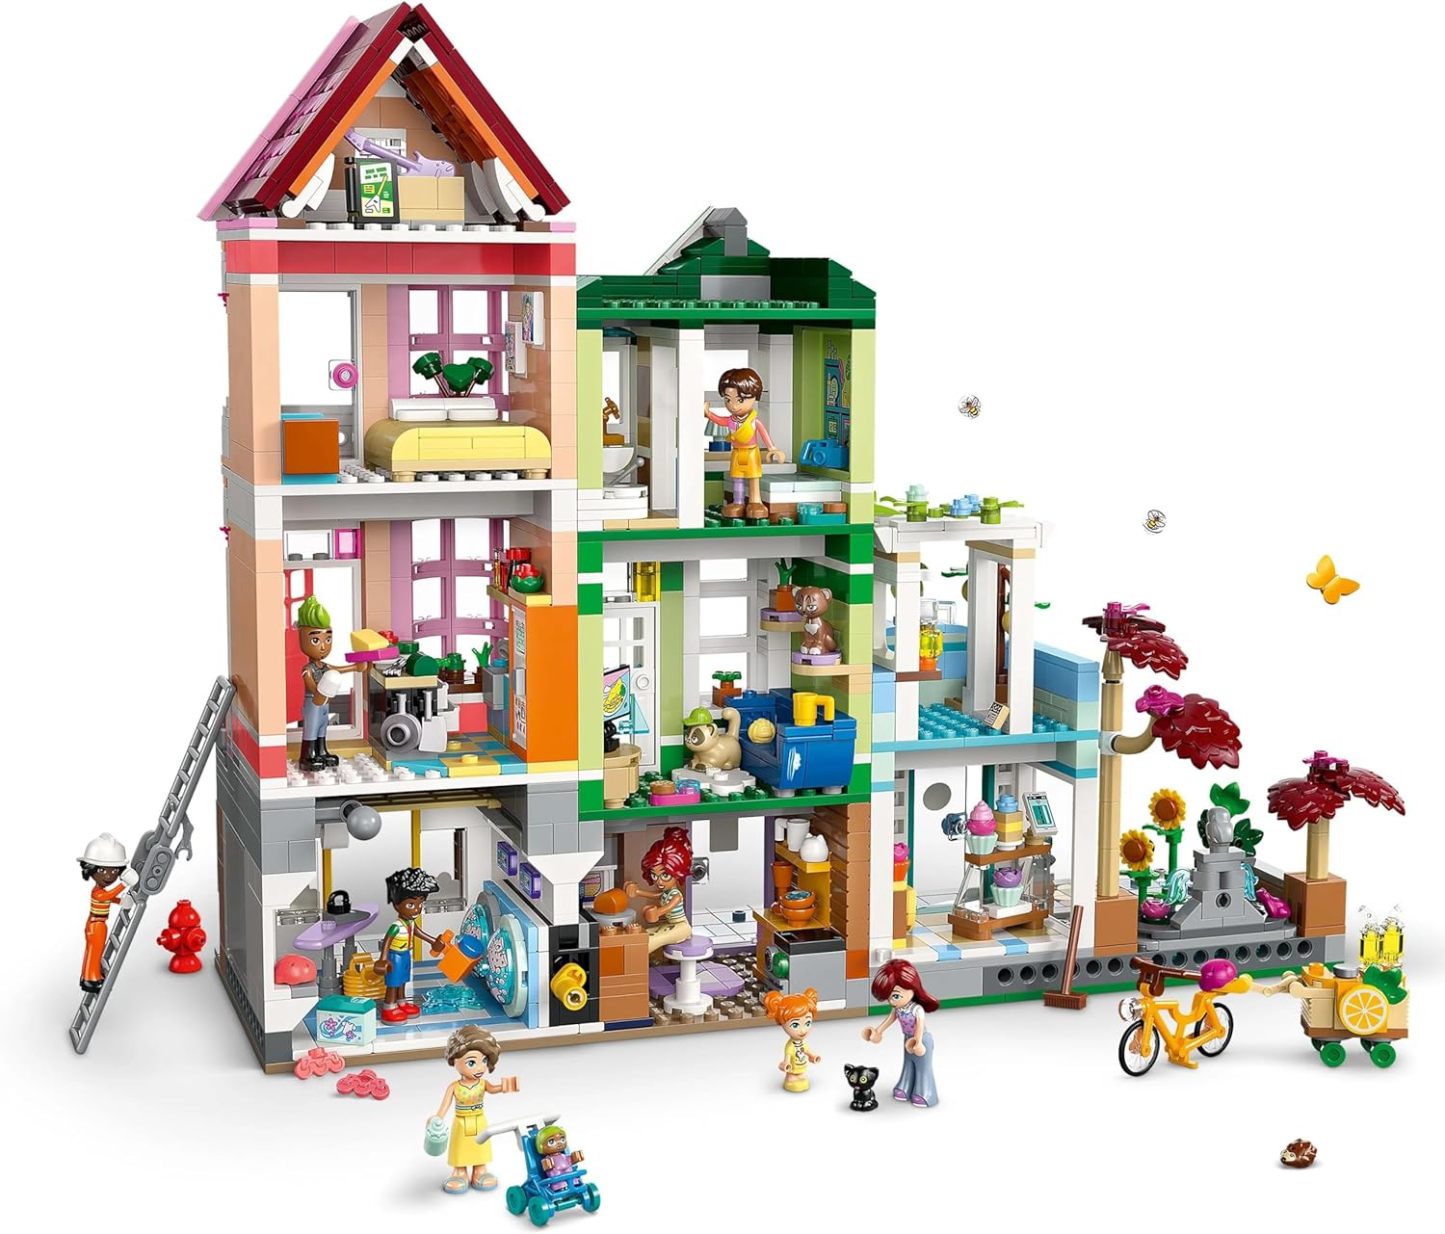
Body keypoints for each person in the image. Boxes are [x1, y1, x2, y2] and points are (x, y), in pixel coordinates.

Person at [431, 1026, 518, 1195]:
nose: (479, 1068)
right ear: (454, 1060)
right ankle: (459, 1172)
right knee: (460, 1146)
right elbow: (445, 1105)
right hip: (461, 1122)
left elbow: (493, 1089)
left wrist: (505, 1086)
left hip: (479, 1120)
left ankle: (480, 1169)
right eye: (471, 1062)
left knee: (480, 1145)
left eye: (484, 1061)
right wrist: (437, 1118)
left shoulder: (483, 1084)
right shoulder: (454, 1086)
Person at [704, 367, 784, 520]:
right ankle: (738, 502)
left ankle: (755, 501)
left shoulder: (754, 421)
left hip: (751, 452)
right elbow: (720, 420)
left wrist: (772, 449)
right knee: (737, 479)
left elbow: (763, 434)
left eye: (739, 400)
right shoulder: (731, 420)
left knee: (753, 478)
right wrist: (708, 413)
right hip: (737, 452)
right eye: (728, 400)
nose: (733, 405)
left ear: (754, 397)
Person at [295, 594, 364, 771]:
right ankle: (307, 756)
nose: (323, 646)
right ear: (302, 639)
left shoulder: (324, 666)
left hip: (324, 702)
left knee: (322, 726)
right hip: (313, 702)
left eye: (328, 639)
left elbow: (337, 669)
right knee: (311, 728)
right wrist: (318, 693)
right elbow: (310, 685)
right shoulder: (308, 669)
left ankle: (321, 751)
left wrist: (356, 667)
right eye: (316, 640)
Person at [860, 959, 940, 1107]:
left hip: (922, 1040)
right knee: (908, 1063)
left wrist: (918, 1042)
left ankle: (925, 1092)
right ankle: (905, 1086)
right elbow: (890, 1020)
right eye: (888, 997)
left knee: (923, 1067)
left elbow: (920, 1026)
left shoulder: (917, 1009)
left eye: (895, 996)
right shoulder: (897, 1008)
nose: (892, 1001)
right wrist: (877, 1031)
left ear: (912, 988)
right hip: (907, 1038)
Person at [374, 867, 443, 1023]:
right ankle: (389, 1007)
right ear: (396, 904)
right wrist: (383, 959)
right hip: (394, 957)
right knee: (393, 982)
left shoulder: (410, 922)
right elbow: (387, 942)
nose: (417, 909)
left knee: (403, 980)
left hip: (405, 955)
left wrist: (433, 942)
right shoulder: (396, 926)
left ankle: (401, 1003)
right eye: (411, 904)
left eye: (420, 903)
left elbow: (418, 933)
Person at [78, 834, 137, 992]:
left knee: (93, 951)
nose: (109, 876)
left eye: (115, 871)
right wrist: (124, 884)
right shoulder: (97, 892)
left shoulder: (100, 890)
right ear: (90, 869)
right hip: (96, 924)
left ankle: (88, 976)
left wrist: (120, 901)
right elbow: (107, 896)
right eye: (102, 870)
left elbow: (109, 898)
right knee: (95, 952)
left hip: (97, 924)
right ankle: (91, 979)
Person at [624, 826, 693, 954]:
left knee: (649, 941)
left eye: (665, 875)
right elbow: (655, 895)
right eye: (654, 875)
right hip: (670, 925)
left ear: (677, 873)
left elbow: (668, 907)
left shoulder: (676, 895)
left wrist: (657, 912)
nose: (659, 882)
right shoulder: (665, 893)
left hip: (682, 927)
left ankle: (634, 961)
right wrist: (637, 892)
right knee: (641, 934)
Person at [764, 987, 821, 1092]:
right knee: (792, 1078)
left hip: (801, 1067)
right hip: (792, 1069)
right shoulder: (790, 1046)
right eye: (795, 1025)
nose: (803, 1030)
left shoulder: (803, 1044)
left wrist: (813, 1056)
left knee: (802, 1077)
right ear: (782, 1023)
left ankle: (799, 1077)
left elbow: (807, 1051)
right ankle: (791, 1078)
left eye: (807, 1023)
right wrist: (786, 1064)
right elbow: (787, 1057)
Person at [535, 1124, 584, 1191]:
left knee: (570, 1172)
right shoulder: (548, 1159)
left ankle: (575, 1184)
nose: (559, 1143)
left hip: (570, 1177)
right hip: (557, 1180)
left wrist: (574, 1158)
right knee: (556, 1174)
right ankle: (561, 1187)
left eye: (562, 1139)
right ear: (541, 1146)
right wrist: (547, 1165)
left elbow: (569, 1160)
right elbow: (546, 1168)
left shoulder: (563, 1156)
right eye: (551, 1141)